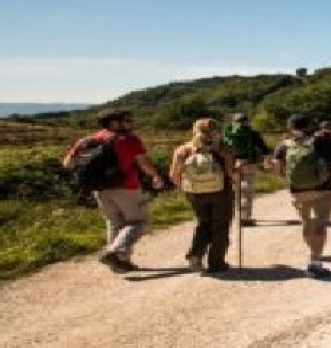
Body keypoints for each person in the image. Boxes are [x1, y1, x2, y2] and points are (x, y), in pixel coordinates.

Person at [62, 109, 165, 273]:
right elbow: (143, 162)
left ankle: (120, 262)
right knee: (139, 222)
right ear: (114, 123)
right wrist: (156, 176)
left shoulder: (87, 140)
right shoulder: (129, 140)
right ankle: (113, 252)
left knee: (114, 223)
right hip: (127, 187)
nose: (129, 123)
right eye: (125, 120)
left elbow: (67, 163)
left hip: (100, 189)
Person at [169, 118, 237, 273]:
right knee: (220, 225)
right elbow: (230, 172)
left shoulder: (183, 150)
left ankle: (195, 254)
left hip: (195, 193)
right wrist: (237, 170)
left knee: (203, 223)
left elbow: (174, 174)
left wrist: (186, 190)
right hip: (221, 192)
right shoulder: (223, 148)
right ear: (215, 131)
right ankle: (216, 262)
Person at [272, 114, 331, 278]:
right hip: (323, 189)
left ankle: (313, 251)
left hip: (297, 191)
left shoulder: (284, 145)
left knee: (306, 222)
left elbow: (278, 171)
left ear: (290, 127)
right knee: (320, 224)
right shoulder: (323, 141)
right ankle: (315, 261)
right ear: (310, 126)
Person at [222, 112, 270, 226]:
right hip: (248, 163)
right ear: (246, 121)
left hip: (231, 164)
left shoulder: (227, 133)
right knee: (246, 191)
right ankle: (244, 218)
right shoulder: (253, 133)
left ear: (234, 121)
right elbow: (263, 149)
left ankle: (232, 216)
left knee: (234, 190)